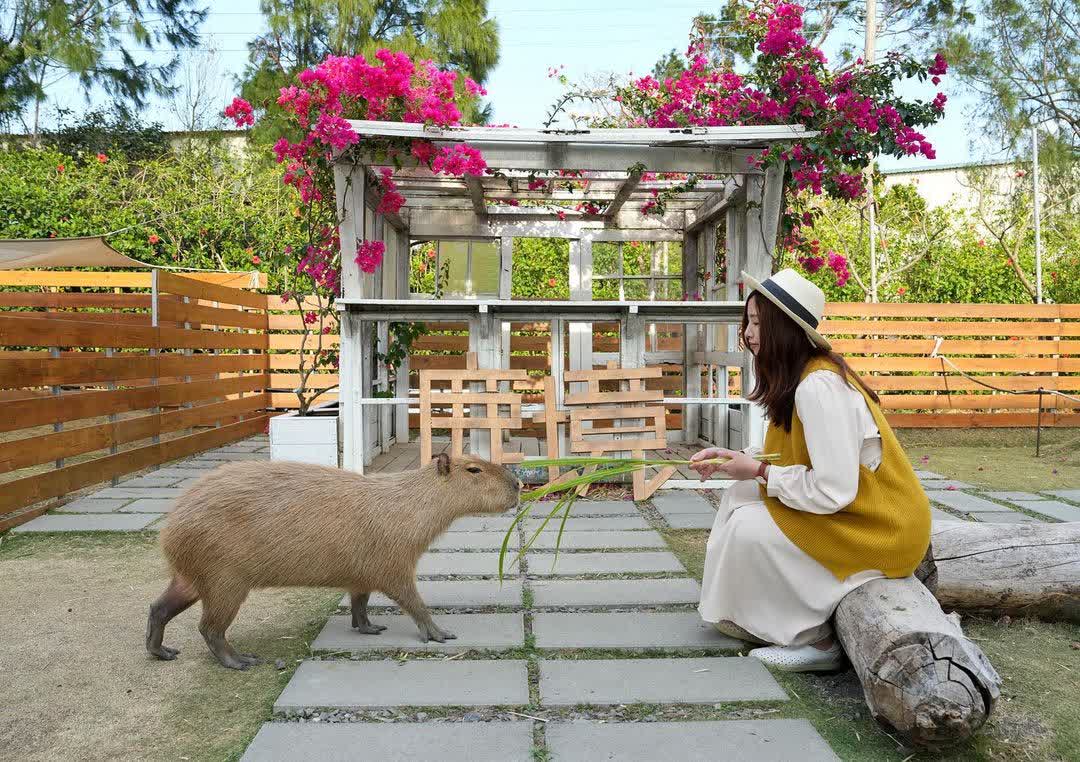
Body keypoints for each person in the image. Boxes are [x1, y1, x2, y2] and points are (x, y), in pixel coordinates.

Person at [689, 268, 930, 672]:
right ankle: (750, 613)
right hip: (858, 509)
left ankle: (815, 640)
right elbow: (795, 454)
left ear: (784, 329)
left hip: (882, 526)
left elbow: (834, 489)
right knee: (740, 497)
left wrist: (762, 473)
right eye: (747, 321)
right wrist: (737, 459)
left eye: (758, 323)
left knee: (752, 528)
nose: (748, 334)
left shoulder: (818, 387)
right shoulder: (804, 377)